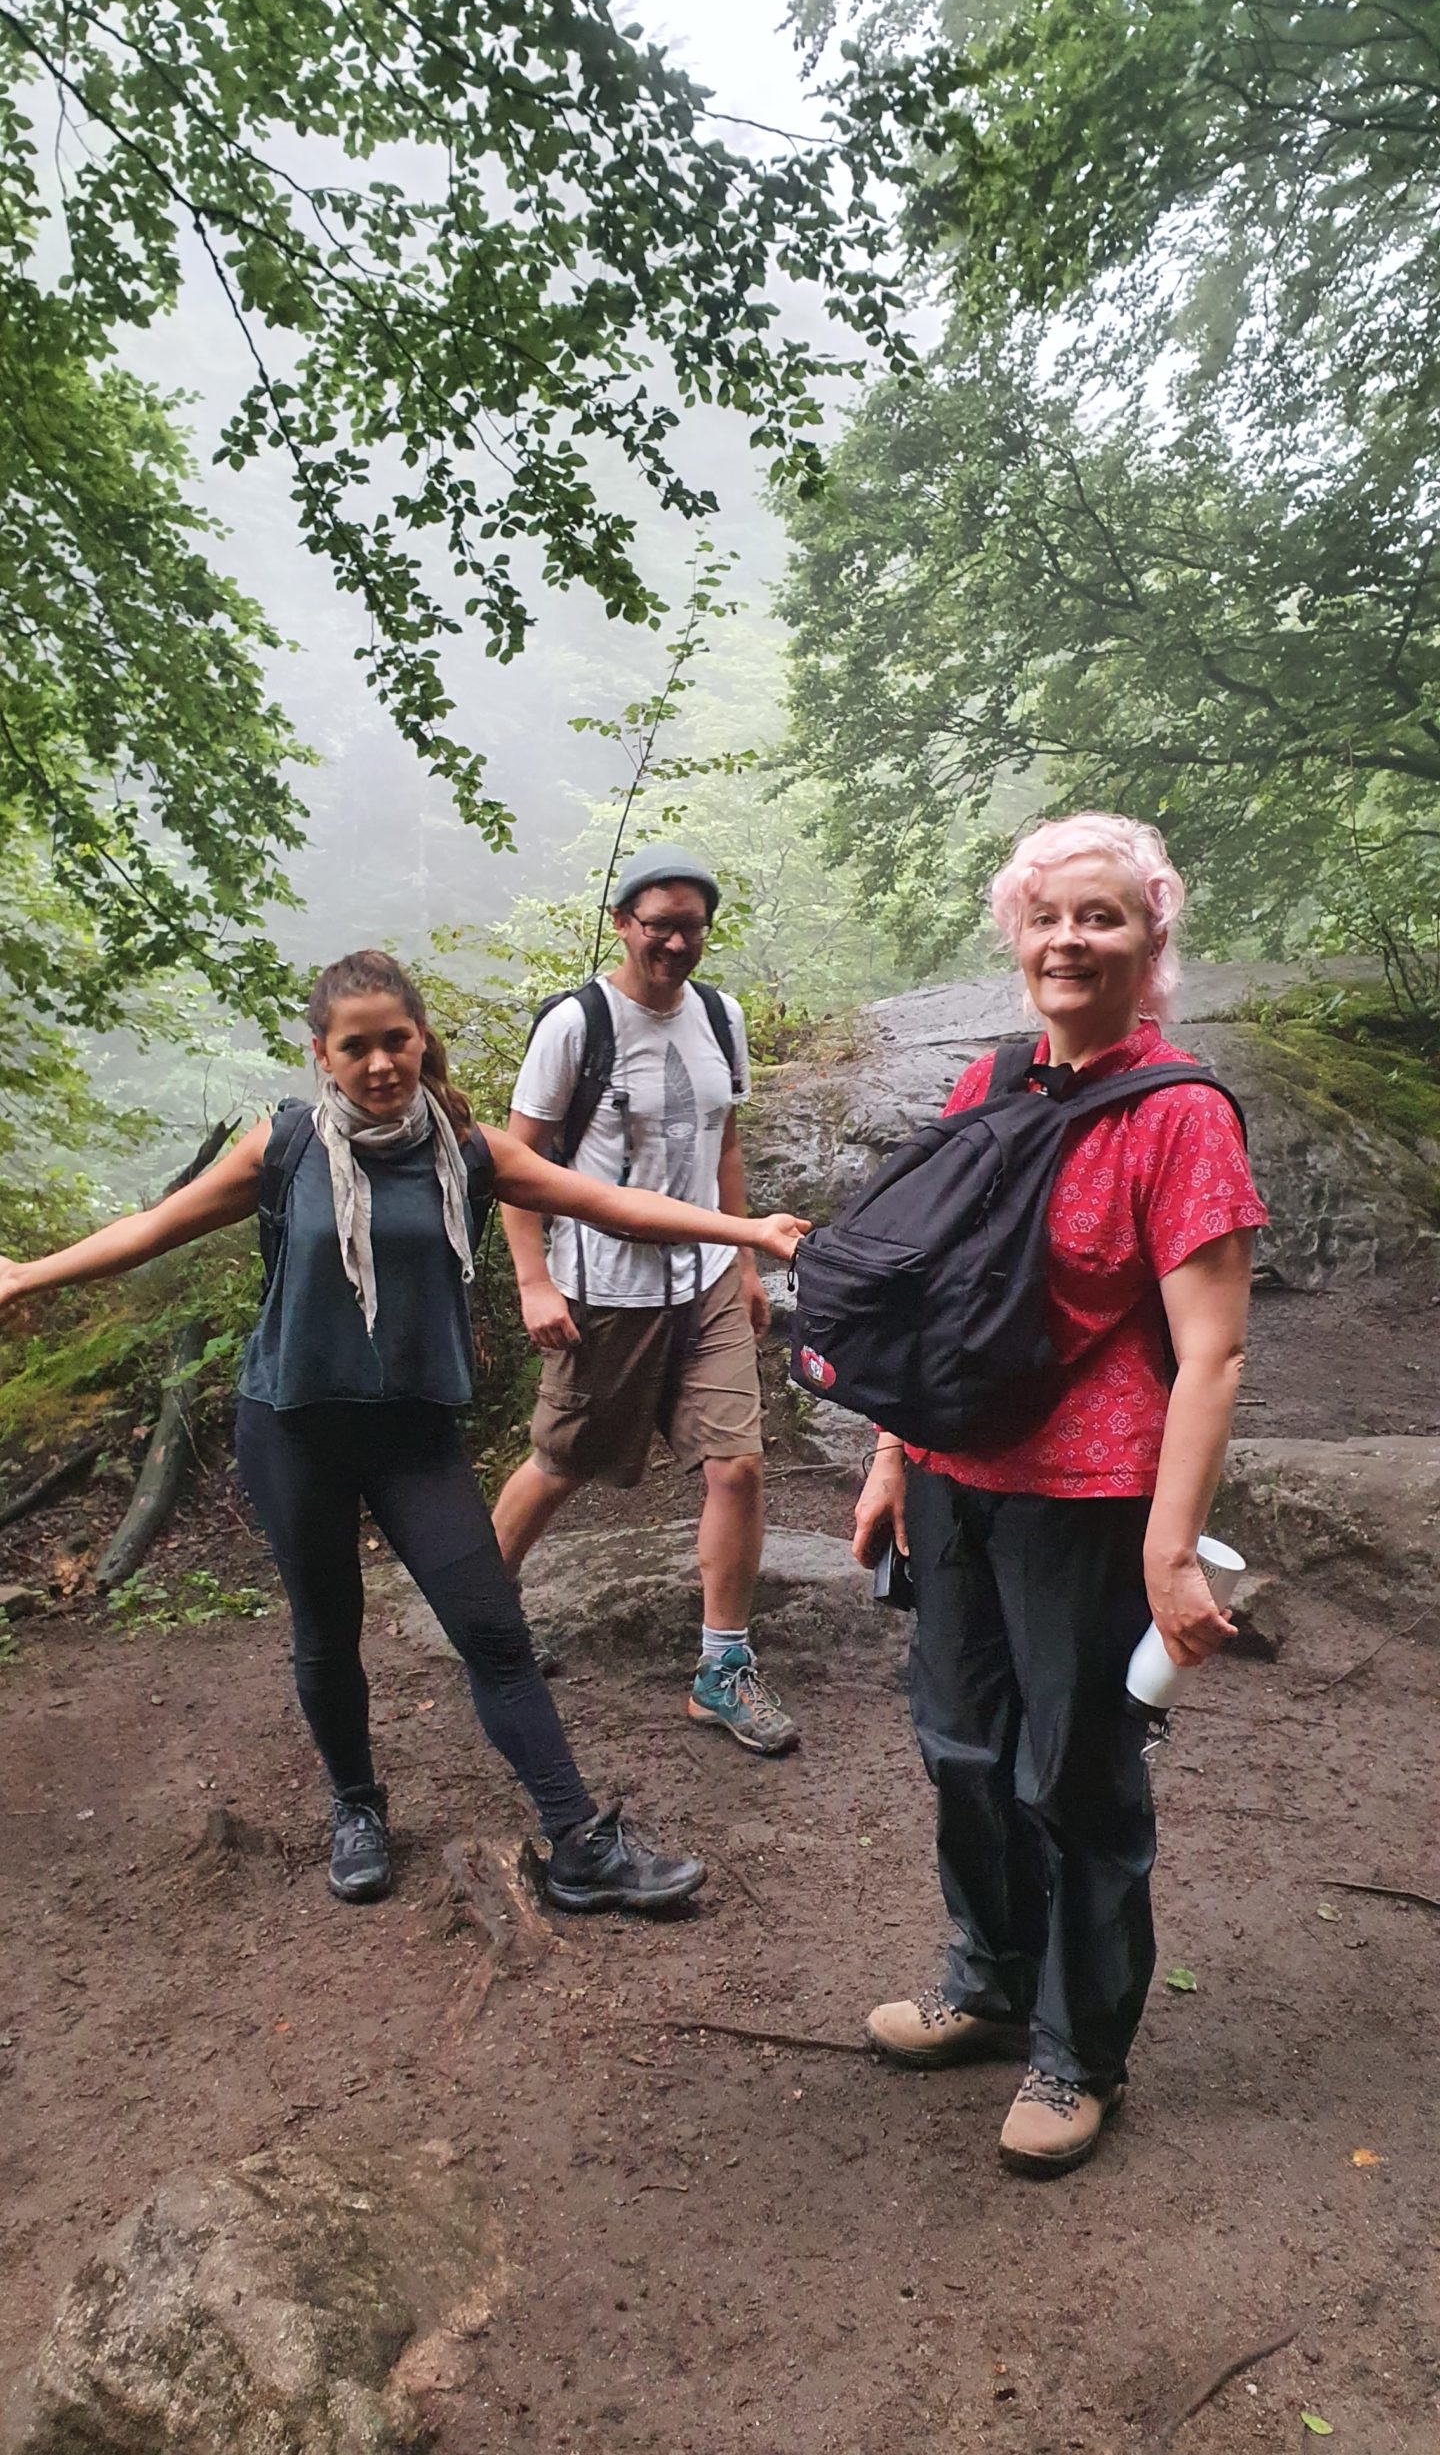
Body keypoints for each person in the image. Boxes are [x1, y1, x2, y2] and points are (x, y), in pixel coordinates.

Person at [0, 951, 809, 1914]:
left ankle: (578, 1844)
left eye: (396, 1040)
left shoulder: (466, 1149)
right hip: (293, 1428)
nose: (380, 1063)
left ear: (422, 1039)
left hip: (414, 1437)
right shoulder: (285, 1147)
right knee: (326, 1628)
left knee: (492, 1630)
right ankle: (357, 1807)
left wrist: (747, 1232)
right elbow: (154, 1229)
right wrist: (25, 1276)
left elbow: (612, 1204)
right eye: (357, 1048)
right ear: (322, 1054)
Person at [852, 816, 1267, 2176]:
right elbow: (926, 1288)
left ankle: (1077, 2048)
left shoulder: (1181, 1115)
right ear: (1017, 937)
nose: (1068, 941)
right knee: (961, 1745)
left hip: (1091, 1496)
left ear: (1152, 941)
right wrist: (890, 1455)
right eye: (1046, 918)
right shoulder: (991, 1083)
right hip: (954, 1474)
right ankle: (989, 1979)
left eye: (1101, 916)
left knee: (1076, 1772)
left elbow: (1212, 1353)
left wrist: (1171, 1550)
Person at [490, 847, 798, 1755]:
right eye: (658, 924)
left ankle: (722, 1670)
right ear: (623, 923)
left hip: (707, 1281)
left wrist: (745, 1263)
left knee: (738, 1467)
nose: (674, 942)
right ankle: (484, 1616)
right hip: (605, 1291)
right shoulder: (576, 1025)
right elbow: (516, 1165)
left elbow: (724, 1143)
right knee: (562, 1461)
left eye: (690, 927)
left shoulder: (720, 1016)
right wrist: (534, 1280)